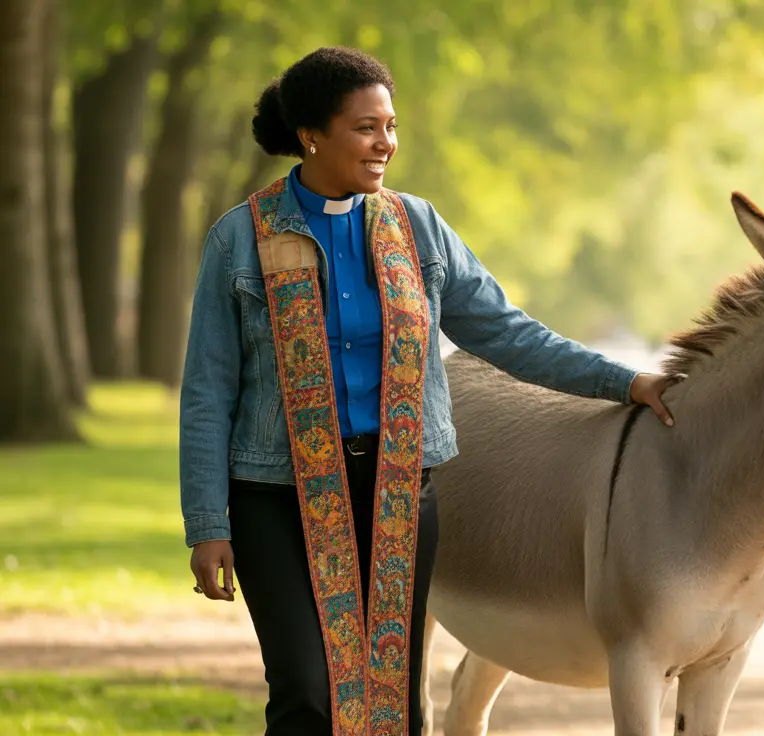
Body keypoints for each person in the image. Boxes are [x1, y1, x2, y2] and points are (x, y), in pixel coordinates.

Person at [178, 46, 676, 736]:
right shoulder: (240, 240)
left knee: (393, 702)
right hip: (275, 496)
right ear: (310, 134)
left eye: (391, 126)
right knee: (307, 693)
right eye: (366, 127)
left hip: (398, 492)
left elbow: (508, 334)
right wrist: (207, 524)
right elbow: (207, 389)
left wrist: (623, 381)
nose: (386, 143)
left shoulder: (417, 228)